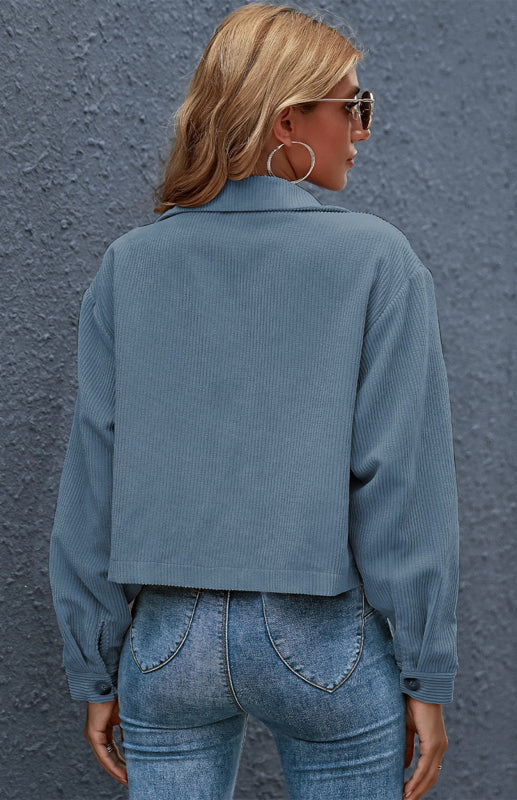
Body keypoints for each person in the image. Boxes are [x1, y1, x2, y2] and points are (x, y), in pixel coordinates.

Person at [48, 3, 460, 799]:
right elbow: (402, 487)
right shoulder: (376, 260)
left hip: (164, 645)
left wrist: (93, 665)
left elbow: (93, 477)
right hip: (324, 641)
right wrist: (425, 671)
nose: (361, 130)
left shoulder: (131, 265)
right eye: (352, 105)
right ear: (287, 121)